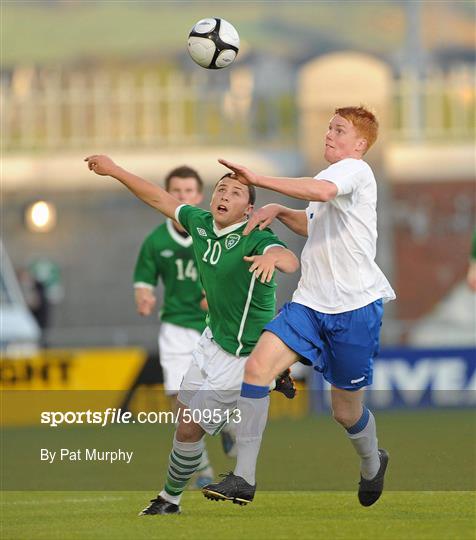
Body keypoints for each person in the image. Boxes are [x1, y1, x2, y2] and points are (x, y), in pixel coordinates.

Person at [202, 106, 396, 508]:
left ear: (359, 144)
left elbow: (321, 193)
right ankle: (244, 479)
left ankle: (372, 462)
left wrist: (259, 181)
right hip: (309, 303)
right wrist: (279, 211)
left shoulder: (356, 171)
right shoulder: (330, 177)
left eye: (338, 130)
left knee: (345, 412)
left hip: (354, 310)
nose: (329, 134)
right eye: (328, 127)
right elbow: (314, 221)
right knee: (256, 369)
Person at [84, 154, 300, 515]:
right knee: (182, 413)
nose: (225, 195)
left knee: (187, 430)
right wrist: (116, 170)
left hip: (242, 354)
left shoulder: (256, 237)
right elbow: (158, 198)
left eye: (235, 192)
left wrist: (273, 259)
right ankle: (171, 497)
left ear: (248, 209)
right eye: (221, 188)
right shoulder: (200, 223)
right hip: (211, 339)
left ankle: (169, 500)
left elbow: (290, 258)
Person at [134, 165, 220, 488]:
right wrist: (143, 297)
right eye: (176, 191)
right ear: (167, 195)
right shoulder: (156, 241)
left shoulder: (210, 232)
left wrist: (214, 295)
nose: (182, 197)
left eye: (188, 191)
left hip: (213, 328)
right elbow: (144, 279)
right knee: (178, 399)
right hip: (174, 327)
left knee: (218, 394)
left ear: (198, 196)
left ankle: (224, 427)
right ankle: (205, 468)